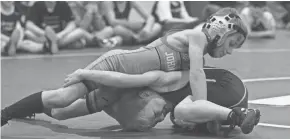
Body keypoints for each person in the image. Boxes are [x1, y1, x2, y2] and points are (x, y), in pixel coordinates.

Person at [1, 7, 249, 131]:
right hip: (116, 64)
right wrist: (203, 109)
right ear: (222, 31)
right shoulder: (197, 38)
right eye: (232, 44)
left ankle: (33, 109)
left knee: (59, 114)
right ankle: (5, 113)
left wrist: (200, 119)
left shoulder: (197, 53)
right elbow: (197, 81)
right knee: (62, 97)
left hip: (123, 87)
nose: (229, 52)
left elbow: (171, 84)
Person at [2, 67, 260, 136]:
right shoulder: (149, 86)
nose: (162, 119)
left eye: (158, 116)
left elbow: (197, 72)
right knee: (59, 110)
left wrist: (85, 74)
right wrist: (85, 75)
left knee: (182, 110)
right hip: (227, 94)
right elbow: (61, 113)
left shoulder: (160, 86)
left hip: (229, 87)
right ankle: (9, 112)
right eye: (159, 117)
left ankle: (234, 115)